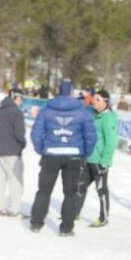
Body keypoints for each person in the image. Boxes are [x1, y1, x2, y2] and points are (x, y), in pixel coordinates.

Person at [28, 80, 97, 236]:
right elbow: (91, 136)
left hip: (51, 154)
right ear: (72, 93)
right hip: (73, 155)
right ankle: (66, 228)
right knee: (71, 193)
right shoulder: (82, 111)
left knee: (44, 190)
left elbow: (36, 133)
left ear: (59, 91)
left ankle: (36, 223)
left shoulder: (46, 110)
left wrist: (42, 150)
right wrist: (84, 153)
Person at [77, 89, 118, 227]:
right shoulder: (92, 114)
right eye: (94, 99)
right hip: (87, 158)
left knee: (101, 189)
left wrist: (105, 161)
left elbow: (111, 142)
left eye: (98, 99)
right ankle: (75, 212)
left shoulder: (108, 118)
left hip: (99, 161)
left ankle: (103, 218)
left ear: (105, 102)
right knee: (79, 186)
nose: (94, 101)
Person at [0, 89, 27, 216]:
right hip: (14, 151)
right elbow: (19, 133)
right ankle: (14, 208)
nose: (21, 101)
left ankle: (0, 207)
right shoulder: (17, 113)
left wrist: (0, 141)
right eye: (20, 98)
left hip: (0, 151)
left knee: (1, 179)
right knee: (16, 180)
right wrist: (22, 144)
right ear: (15, 97)